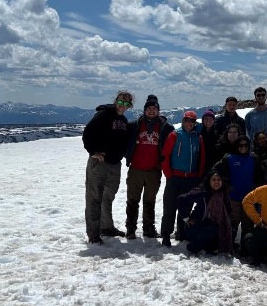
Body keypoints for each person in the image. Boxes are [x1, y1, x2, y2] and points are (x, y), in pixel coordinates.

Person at [82, 90, 132, 243]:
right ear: (116, 100)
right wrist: (93, 151)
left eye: (126, 103)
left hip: (114, 164)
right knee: (94, 199)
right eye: (121, 101)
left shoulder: (123, 120)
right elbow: (88, 133)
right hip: (100, 163)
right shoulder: (103, 114)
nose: (122, 105)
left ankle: (106, 227)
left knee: (108, 196)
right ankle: (94, 234)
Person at [124, 94, 175, 239]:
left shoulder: (166, 128)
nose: (151, 111)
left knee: (149, 201)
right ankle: (131, 229)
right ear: (144, 110)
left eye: (154, 108)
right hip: (136, 169)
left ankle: (148, 229)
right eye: (149, 108)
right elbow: (123, 141)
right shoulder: (134, 125)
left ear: (158, 110)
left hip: (154, 170)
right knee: (132, 201)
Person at [215, 135, 267, 253]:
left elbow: (261, 175)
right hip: (233, 197)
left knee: (247, 224)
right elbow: (216, 171)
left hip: (250, 198)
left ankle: (245, 248)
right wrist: (226, 184)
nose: (243, 147)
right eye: (240, 145)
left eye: (245, 145)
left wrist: (257, 189)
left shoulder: (253, 158)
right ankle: (228, 246)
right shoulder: (229, 158)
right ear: (237, 146)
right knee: (232, 223)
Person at [160, 110, 206, 247]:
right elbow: (165, 156)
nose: (189, 124)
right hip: (175, 177)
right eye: (187, 120)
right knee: (170, 207)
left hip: (190, 178)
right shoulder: (175, 135)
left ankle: (181, 231)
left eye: (192, 121)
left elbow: (202, 159)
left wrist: (199, 175)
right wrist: (168, 174)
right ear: (183, 121)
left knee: (185, 207)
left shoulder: (198, 138)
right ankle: (166, 235)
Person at [176, 170, 233, 255]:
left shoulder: (223, 193)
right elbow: (181, 199)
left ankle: (207, 246)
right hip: (196, 226)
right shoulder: (202, 192)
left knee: (217, 236)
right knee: (211, 230)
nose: (216, 182)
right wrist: (186, 218)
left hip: (212, 226)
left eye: (219, 180)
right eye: (213, 180)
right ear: (209, 181)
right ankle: (192, 248)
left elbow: (229, 210)